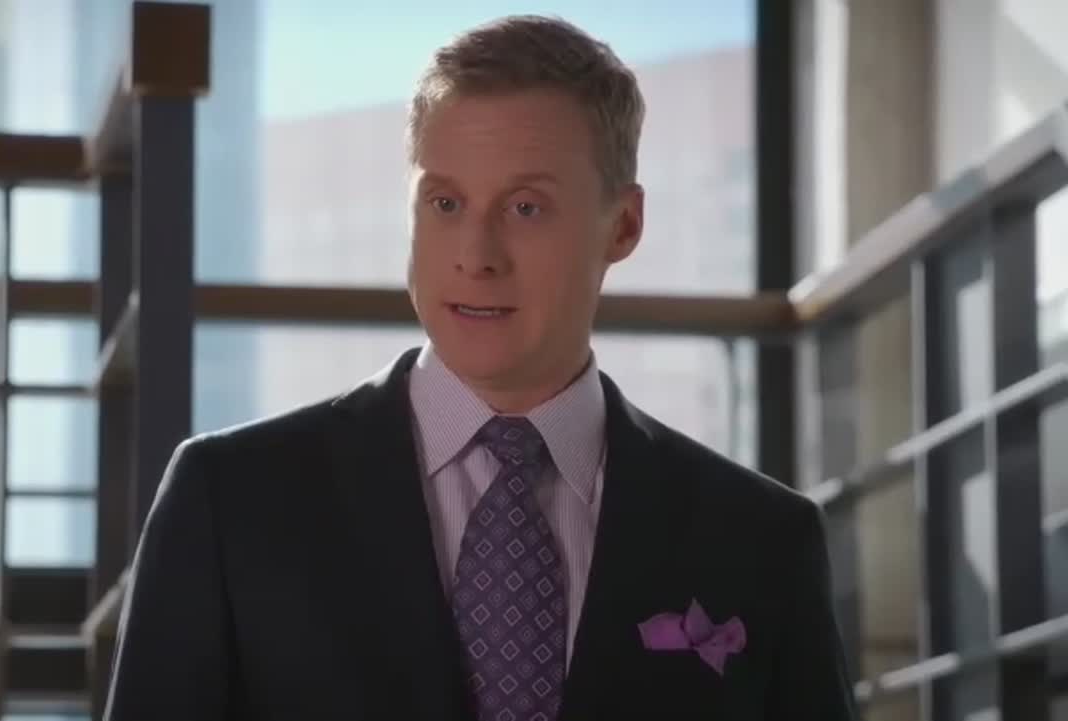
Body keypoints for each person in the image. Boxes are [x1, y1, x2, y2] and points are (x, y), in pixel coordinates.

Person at [103, 14, 857, 721]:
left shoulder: (761, 540)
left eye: (525, 208)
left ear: (623, 225)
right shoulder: (230, 502)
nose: (476, 255)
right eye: (445, 203)